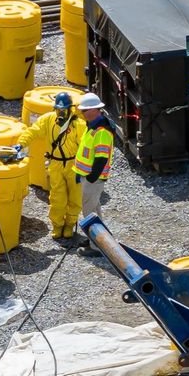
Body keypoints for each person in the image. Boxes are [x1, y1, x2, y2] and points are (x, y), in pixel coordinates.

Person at [15, 92, 85, 239]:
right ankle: (58, 225)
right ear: (54, 109)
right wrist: (20, 144)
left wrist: (86, 168)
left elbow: (86, 147)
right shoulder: (47, 120)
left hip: (74, 165)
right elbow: (32, 132)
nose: (61, 112)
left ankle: (70, 225)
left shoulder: (79, 125)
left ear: (70, 108)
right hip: (55, 164)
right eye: (59, 109)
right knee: (57, 198)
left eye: (64, 109)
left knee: (75, 197)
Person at [72, 92, 114, 257]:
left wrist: (91, 177)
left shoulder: (101, 131)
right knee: (95, 211)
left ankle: (96, 247)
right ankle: (96, 239)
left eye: (85, 110)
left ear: (95, 110)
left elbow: (101, 158)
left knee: (89, 213)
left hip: (93, 180)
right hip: (89, 178)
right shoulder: (93, 127)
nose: (82, 113)